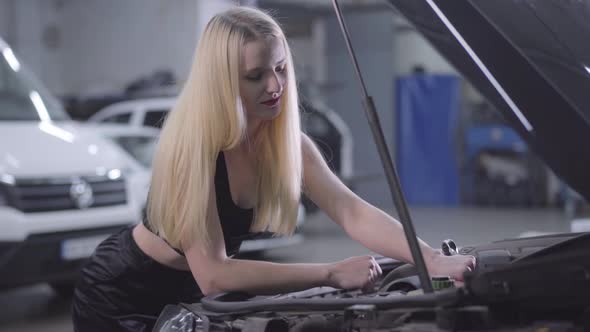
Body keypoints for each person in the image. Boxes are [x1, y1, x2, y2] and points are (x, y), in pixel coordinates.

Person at [72, 6, 475, 332]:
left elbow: (351, 211)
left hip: (192, 290)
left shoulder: (283, 142)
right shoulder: (192, 149)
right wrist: (330, 273)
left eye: (280, 68)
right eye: (255, 76)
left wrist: (430, 258)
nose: (274, 86)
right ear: (221, 81)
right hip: (121, 293)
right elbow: (213, 273)